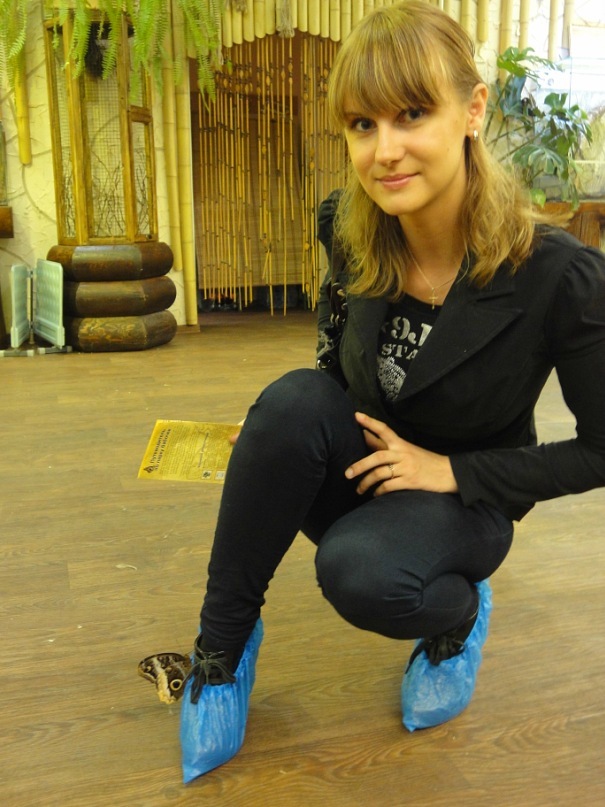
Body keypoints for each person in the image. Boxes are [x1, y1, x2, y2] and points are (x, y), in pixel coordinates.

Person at [178, 0, 605, 783]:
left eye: (412, 114)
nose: (384, 151)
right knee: (286, 406)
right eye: (361, 124)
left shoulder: (558, 276)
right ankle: (221, 650)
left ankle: (458, 618)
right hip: (371, 459)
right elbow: (332, 356)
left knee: (361, 573)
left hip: (466, 497)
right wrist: (280, 432)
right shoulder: (348, 224)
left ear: (471, 110)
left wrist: (451, 470)